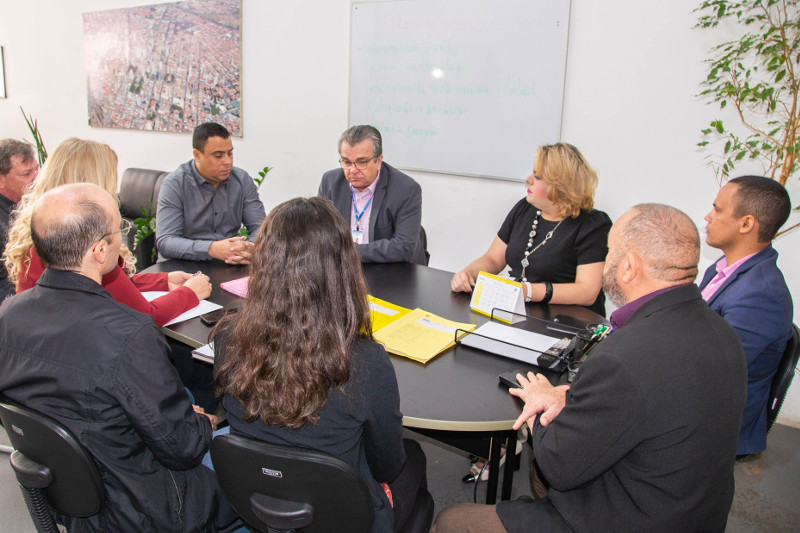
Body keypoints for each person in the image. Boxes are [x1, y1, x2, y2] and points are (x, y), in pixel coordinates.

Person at [434, 204, 747, 533]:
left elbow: (559, 465)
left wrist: (544, 399)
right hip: (692, 507)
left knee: (452, 522)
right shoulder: (723, 333)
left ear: (628, 268)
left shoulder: (623, 357)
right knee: (540, 481)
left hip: (627, 517)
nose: (605, 261)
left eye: (610, 251)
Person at [0, 183, 232, 532]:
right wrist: (201, 421)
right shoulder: (129, 334)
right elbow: (183, 448)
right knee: (255, 471)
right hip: (146, 506)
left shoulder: (8, 316)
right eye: (118, 230)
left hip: (69, 495)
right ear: (99, 250)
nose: (122, 238)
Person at [213, 197, 427, 532]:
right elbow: (387, 465)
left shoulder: (228, 336)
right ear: (342, 269)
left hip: (257, 501)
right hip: (346, 516)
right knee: (414, 458)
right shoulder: (365, 361)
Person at [4, 137, 212, 327]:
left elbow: (109, 285)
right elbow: (145, 316)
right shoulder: (89, 243)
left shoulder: (42, 231)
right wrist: (190, 293)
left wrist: (162, 280)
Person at [451, 143, 612, 316]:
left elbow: (586, 292)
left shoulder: (593, 225)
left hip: (567, 320)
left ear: (561, 185)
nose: (528, 179)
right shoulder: (524, 208)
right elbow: (493, 259)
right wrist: (469, 273)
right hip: (518, 311)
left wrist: (526, 291)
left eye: (538, 176)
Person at [700, 175, 794, 459]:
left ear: (746, 224)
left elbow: (709, 370)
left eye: (717, 210)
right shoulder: (725, 267)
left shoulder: (761, 295)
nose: (708, 216)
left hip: (716, 419)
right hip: (701, 388)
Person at [156, 122, 266, 263]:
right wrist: (211, 249)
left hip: (228, 263)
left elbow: (260, 227)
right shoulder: (175, 184)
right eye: (218, 155)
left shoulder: (242, 180)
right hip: (182, 266)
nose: (227, 162)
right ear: (197, 155)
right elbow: (166, 242)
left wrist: (250, 248)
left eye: (230, 153)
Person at [318, 125, 426, 264]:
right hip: (344, 269)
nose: (352, 170)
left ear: (379, 160)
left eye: (361, 162)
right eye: (346, 162)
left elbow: (404, 247)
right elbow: (318, 233)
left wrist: (351, 252)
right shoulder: (330, 182)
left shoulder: (406, 190)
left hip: (392, 271)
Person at [0, 139, 39, 300]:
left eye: (37, 170)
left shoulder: (35, 204)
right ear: (1, 179)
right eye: (27, 174)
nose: (36, 178)